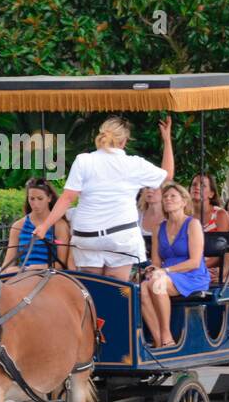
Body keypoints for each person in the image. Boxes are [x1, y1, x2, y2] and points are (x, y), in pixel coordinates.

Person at [34, 115, 174, 279]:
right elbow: (168, 175)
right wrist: (167, 140)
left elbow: (67, 198)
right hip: (120, 236)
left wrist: (44, 226)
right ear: (124, 141)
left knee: (93, 291)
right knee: (116, 291)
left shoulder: (83, 160)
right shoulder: (135, 164)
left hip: (87, 236)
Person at [140, 182, 210, 347]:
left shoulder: (192, 224)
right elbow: (157, 261)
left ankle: (167, 335)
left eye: (173, 196)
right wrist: (152, 269)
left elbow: (194, 261)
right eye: (165, 197)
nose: (168, 199)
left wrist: (165, 270)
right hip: (166, 274)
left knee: (157, 282)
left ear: (184, 201)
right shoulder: (159, 228)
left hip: (192, 274)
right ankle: (158, 340)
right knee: (143, 287)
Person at [2, 177, 73, 270]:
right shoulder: (18, 226)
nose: (35, 203)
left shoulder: (59, 226)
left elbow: (61, 264)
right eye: (32, 199)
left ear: (49, 198)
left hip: (49, 276)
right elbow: (8, 262)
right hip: (22, 276)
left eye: (40, 198)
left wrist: (40, 267)